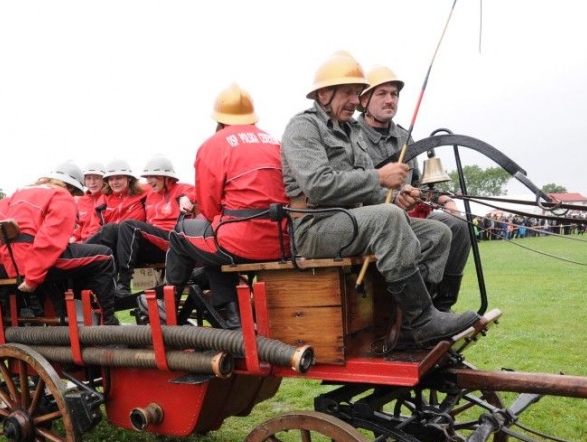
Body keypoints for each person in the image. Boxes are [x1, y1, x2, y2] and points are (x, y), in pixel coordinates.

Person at [280, 51, 479, 350]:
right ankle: (423, 319)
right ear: (324, 94)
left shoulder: (351, 132)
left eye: (357, 93)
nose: (354, 99)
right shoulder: (303, 128)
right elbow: (319, 186)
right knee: (387, 217)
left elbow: (369, 190)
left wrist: (400, 196)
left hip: (350, 222)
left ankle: (412, 328)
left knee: (438, 232)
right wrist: (379, 178)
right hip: (314, 227)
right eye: (348, 92)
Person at [163, 83, 291, 329]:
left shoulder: (213, 144)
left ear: (219, 119)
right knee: (211, 238)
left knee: (181, 235)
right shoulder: (274, 141)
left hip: (243, 241)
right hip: (283, 239)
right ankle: (231, 313)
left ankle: (167, 311)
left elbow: (209, 208)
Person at [356, 65, 473, 311]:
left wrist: (445, 201)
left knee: (459, 226)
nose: (390, 100)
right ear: (364, 99)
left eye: (394, 94)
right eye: (382, 94)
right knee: (436, 232)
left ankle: (442, 306)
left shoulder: (404, 137)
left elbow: (418, 186)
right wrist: (394, 199)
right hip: (373, 223)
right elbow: (355, 188)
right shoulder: (352, 136)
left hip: (409, 219)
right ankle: (416, 316)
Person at [0, 161, 120, 325]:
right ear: (70, 187)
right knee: (104, 255)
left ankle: (62, 318)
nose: (74, 195)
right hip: (29, 261)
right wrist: (33, 277)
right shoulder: (62, 196)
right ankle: (109, 323)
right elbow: (50, 240)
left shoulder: (19, 192)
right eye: (75, 192)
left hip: (8, 259)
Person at [111, 155, 196, 298]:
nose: (149, 181)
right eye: (147, 177)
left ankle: (123, 284)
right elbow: (127, 190)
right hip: (153, 244)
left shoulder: (181, 188)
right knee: (112, 230)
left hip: (173, 242)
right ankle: (106, 285)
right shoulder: (150, 193)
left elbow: (199, 190)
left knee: (129, 225)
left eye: (153, 176)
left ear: (166, 177)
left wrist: (188, 197)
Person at [72, 162, 106, 243]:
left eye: (97, 178)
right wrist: (72, 240)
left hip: (101, 243)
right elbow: (77, 226)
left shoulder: (108, 198)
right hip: (82, 243)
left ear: (104, 180)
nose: (92, 182)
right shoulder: (80, 200)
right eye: (88, 178)